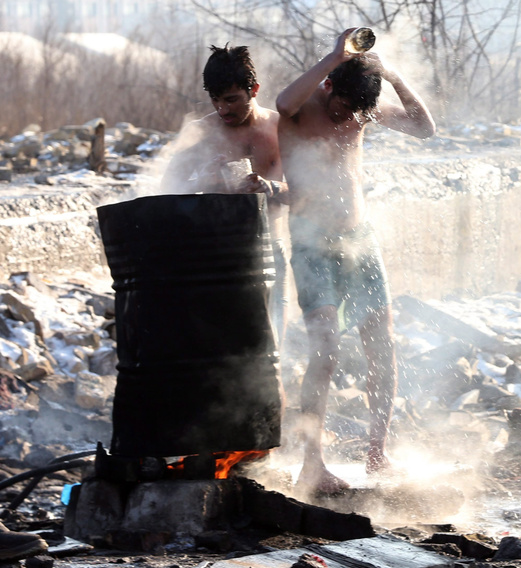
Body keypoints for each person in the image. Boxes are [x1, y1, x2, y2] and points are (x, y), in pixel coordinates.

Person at [275, 28, 435, 495]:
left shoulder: (362, 111)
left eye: (356, 111)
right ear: (329, 87)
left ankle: (378, 451)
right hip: (311, 242)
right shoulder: (303, 107)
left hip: (359, 241)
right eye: (343, 105)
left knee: (381, 345)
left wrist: (392, 74)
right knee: (324, 348)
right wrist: (332, 58)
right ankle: (312, 463)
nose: (347, 117)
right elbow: (283, 101)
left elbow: (424, 129)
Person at [161, 44, 292, 357]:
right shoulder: (201, 131)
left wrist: (270, 188)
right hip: (214, 253)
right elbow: (166, 189)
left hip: (268, 247)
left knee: (271, 348)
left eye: (231, 99)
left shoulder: (279, 128)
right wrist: (204, 181)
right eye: (215, 100)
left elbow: (304, 191)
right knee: (219, 349)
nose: (223, 109)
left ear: (254, 90)